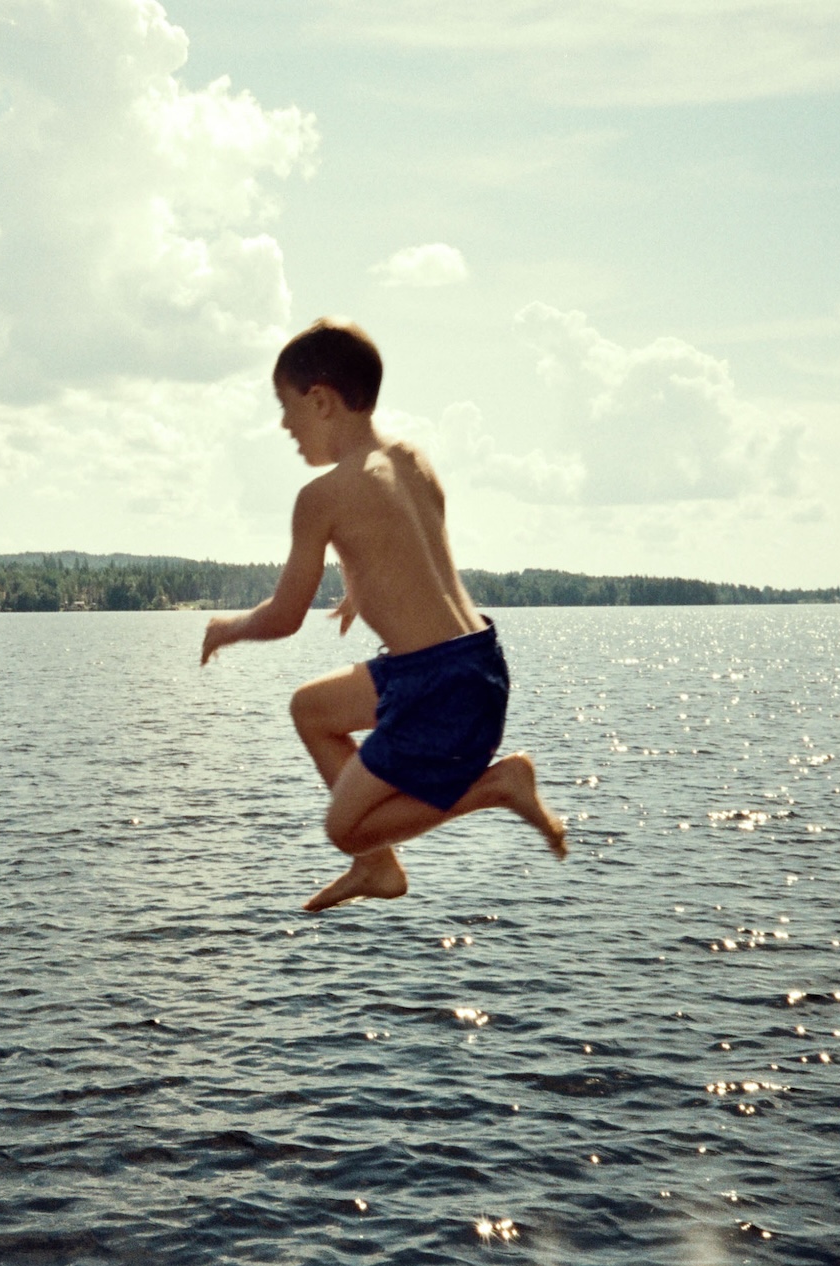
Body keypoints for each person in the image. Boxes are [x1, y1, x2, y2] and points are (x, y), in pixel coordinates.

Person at [201, 318, 568, 911]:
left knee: (342, 828)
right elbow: (413, 548)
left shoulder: (320, 497)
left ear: (319, 400)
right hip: (473, 663)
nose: (284, 425)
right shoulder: (412, 459)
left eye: (286, 407)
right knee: (311, 709)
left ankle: (495, 786)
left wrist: (230, 629)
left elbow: (285, 615)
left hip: (437, 686)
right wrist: (359, 589)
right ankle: (377, 865)